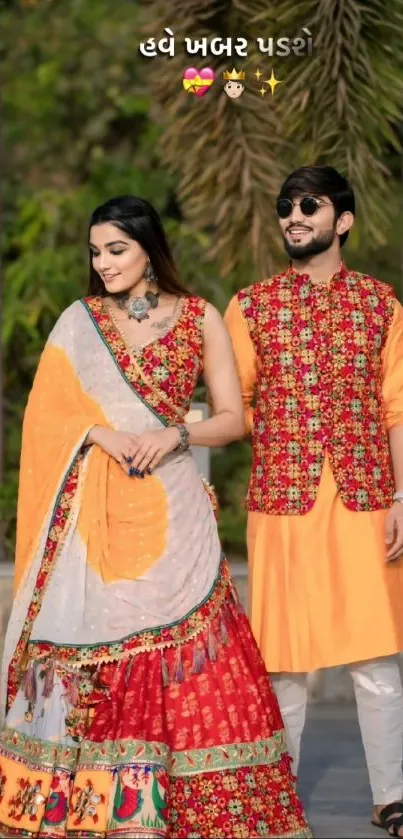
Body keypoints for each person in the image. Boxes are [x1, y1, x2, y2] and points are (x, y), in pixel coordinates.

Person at [0, 196, 311, 839]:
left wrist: (176, 435)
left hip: (174, 509)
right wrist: (97, 433)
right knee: (92, 647)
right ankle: (86, 805)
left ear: (148, 249)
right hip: (96, 513)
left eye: (116, 249)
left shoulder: (198, 317)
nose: (103, 263)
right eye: (95, 251)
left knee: (194, 649)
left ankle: (201, 809)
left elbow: (232, 417)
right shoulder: (79, 321)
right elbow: (48, 417)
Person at [224, 164, 403, 838]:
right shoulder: (250, 305)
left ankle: (390, 797)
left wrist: (401, 494)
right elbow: (232, 406)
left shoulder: (381, 304)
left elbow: (396, 405)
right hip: (282, 501)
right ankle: (276, 799)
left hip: (364, 498)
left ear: (342, 219)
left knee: (375, 659)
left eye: (308, 205)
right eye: (284, 207)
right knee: (285, 663)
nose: (293, 216)